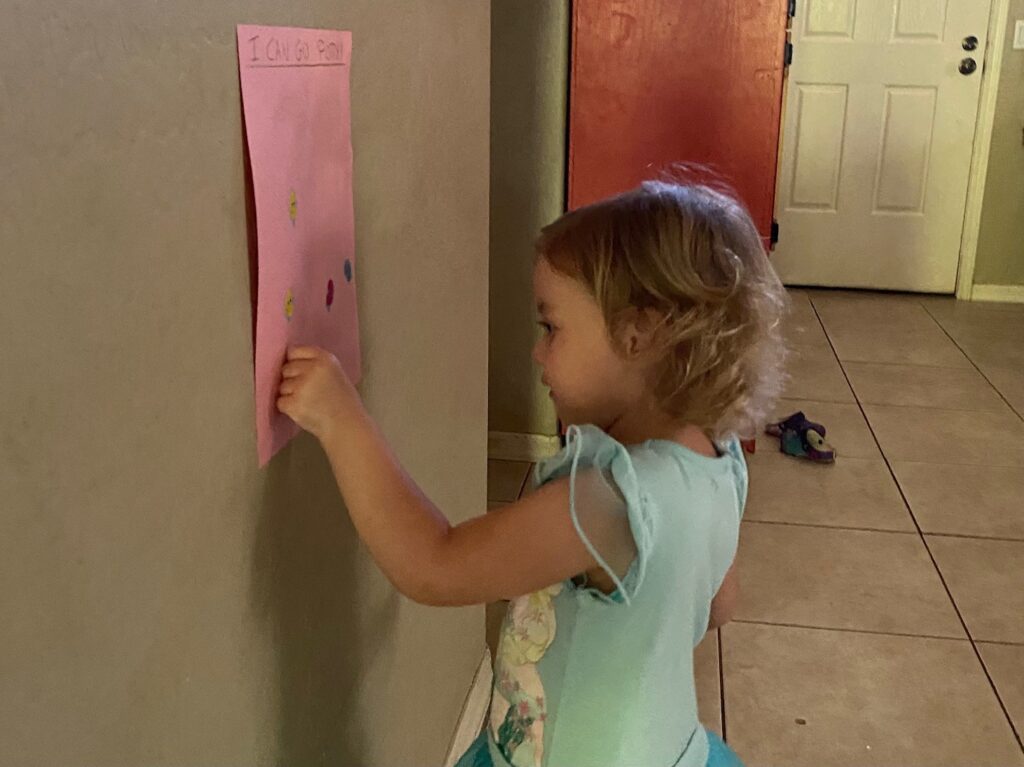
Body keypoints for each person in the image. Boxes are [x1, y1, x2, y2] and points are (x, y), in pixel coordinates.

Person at [276, 179, 788, 767]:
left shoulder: (607, 502)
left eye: (552, 328)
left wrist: (342, 420)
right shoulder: (719, 463)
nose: (537, 352)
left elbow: (432, 564)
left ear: (638, 334)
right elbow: (717, 606)